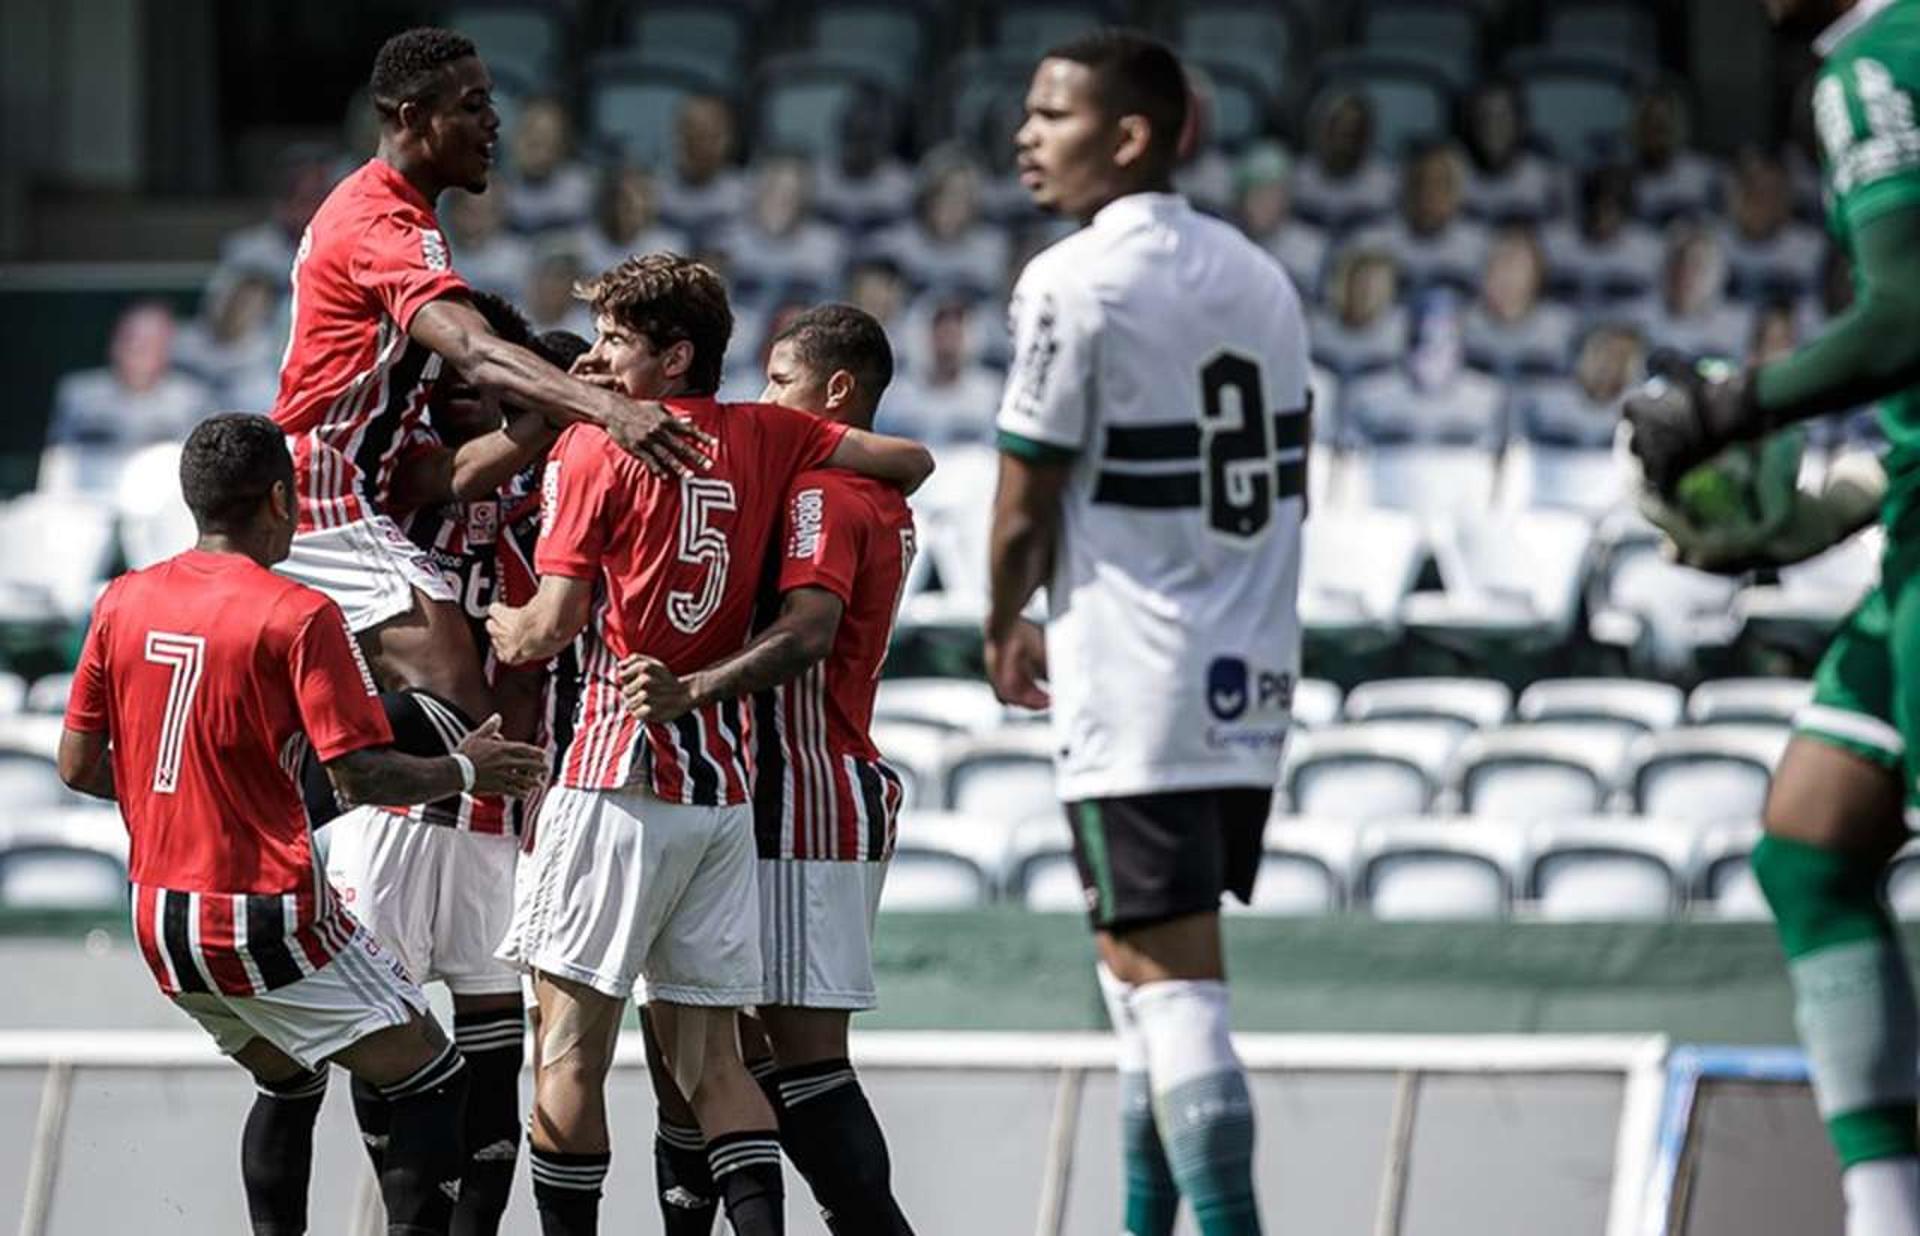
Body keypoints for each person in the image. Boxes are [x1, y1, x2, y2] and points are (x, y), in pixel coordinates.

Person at [485, 254, 933, 1236]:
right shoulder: (770, 438)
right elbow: (910, 459)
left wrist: (484, 621)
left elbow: (551, 625)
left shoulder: (604, 455)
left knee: (569, 1053)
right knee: (713, 1064)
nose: (597, 360)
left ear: (672, 354)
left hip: (633, 764)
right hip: (725, 791)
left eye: (614, 341)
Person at [56, 413, 548, 1236]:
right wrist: (467, 770)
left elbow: (76, 767)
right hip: (263, 910)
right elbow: (362, 773)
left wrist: (184, 803)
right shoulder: (298, 613)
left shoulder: (122, 599)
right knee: (433, 1076)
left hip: (158, 920)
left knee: (289, 1080)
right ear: (283, 500)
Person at [991, 31, 1307, 1236]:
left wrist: (1002, 619)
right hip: (1248, 671)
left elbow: (1025, 498)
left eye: (1051, 115)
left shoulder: (1074, 280)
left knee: (1172, 989)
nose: (1027, 135)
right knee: (1136, 977)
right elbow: (1294, 476)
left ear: (1129, 136)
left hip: (1139, 672)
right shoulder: (1261, 276)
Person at [1624, 3, 1920, 1232]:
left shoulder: (1878, 54)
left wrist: (1729, 408)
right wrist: (1820, 513)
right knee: (1811, 839)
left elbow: (1907, 318)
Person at [271, 27, 709, 736]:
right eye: (473, 106)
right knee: (462, 704)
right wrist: (608, 411)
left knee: (444, 715)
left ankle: (309, 783)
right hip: (323, 487)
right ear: (414, 118)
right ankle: (303, 797)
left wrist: (555, 412)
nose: (493, 122)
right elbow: (474, 351)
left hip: (356, 486)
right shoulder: (380, 220)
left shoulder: (395, 215)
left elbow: (449, 471)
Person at [614, 303, 919, 1236]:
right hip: (783, 787)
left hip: (805, 785)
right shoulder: (873, 493)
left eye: (780, 381)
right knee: (697, 1034)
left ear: (834, 392)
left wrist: (691, 689)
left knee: (801, 1057)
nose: (762, 398)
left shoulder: (827, 493)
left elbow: (808, 633)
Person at [318, 302, 578, 1236]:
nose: (466, 398)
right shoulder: (391, 487)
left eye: (490, 385)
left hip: (502, 815)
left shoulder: (565, 504)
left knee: (493, 1064)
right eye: (456, 384)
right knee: (386, 1057)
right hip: (398, 809)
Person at [49, 302, 212, 453]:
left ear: (168, 349)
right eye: (130, 338)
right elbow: (59, 460)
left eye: (149, 342)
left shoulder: (192, 400)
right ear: (114, 342)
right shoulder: (79, 394)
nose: (136, 348)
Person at [1351, 140, 1491, 294]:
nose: (1428, 193)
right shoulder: (1369, 243)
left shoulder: (1479, 248)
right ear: (1402, 186)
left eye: (1441, 183)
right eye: (1419, 181)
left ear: (1458, 192)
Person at [1463, 226, 1578, 379]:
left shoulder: (1560, 329)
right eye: (1498, 265)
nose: (1506, 277)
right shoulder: (1463, 326)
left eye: (1515, 267)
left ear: (1537, 276)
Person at [1289, 87, 1396, 232]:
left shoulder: (1385, 184)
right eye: (1336, 130)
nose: (1343, 142)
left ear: (1367, 136)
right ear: (1320, 131)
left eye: (1353, 133)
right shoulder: (1298, 177)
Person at [1458, 79, 1559, 225]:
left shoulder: (1544, 181)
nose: (1492, 127)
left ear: (1520, 124)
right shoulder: (1453, 177)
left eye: (1502, 117)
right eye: (1483, 117)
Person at [1234, 142, 1327, 297]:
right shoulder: (1227, 244)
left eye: (1272, 195)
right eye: (1256, 195)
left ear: (1287, 199)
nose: (1264, 205)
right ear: (1240, 201)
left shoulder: (1313, 248)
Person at [500, 97, 596, 236]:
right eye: (529, 132)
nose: (536, 144)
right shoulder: (499, 192)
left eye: (545, 135)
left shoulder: (581, 190)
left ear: (561, 143)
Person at [658, 94, 747, 238]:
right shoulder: (655, 195)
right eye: (692, 135)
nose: (701, 146)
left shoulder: (746, 197)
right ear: (677, 137)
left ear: (727, 140)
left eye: (709, 136)